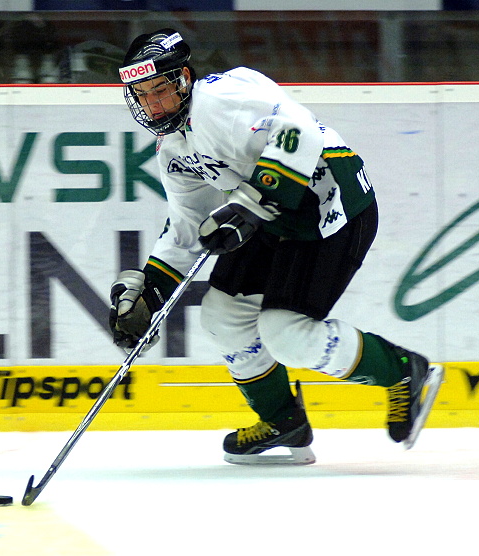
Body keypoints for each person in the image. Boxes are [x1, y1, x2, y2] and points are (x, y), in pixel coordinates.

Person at [110, 28, 443, 464]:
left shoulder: (219, 99)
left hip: (330, 203)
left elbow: (299, 128)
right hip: (271, 214)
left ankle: (402, 371)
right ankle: (283, 421)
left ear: (184, 79)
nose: (153, 104)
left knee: (286, 335)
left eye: (160, 90)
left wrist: (253, 200)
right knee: (222, 317)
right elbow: (186, 228)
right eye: (142, 95)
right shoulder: (172, 150)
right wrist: (149, 292)